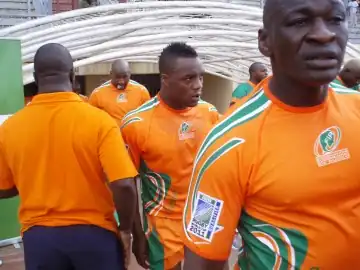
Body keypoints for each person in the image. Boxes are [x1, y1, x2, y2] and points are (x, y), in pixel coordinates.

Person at [183, 0, 360, 269]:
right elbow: (202, 261)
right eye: (300, 22)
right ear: (265, 42)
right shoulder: (227, 142)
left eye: (335, 19)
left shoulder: (357, 108)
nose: (324, 34)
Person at [0, 43, 138, 270]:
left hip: (40, 239)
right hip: (95, 236)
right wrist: (126, 229)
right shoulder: (100, 121)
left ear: (35, 77)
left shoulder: (10, 127)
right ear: (73, 75)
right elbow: (124, 184)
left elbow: (5, 188)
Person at [120, 42, 219, 270]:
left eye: (200, 78)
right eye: (188, 79)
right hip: (163, 222)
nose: (198, 86)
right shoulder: (136, 124)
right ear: (165, 79)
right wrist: (138, 234)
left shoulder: (210, 114)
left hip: (203, 214)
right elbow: (129, 183)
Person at [89, 59, 151, 125]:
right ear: (111, 74)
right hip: (110, 134)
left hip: (133, 134)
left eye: (125, 77)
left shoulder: (141, 91)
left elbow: (148, 118)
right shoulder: (97, 94)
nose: (121, 81)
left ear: (129, 74)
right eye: (118, 77)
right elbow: (91, 119)